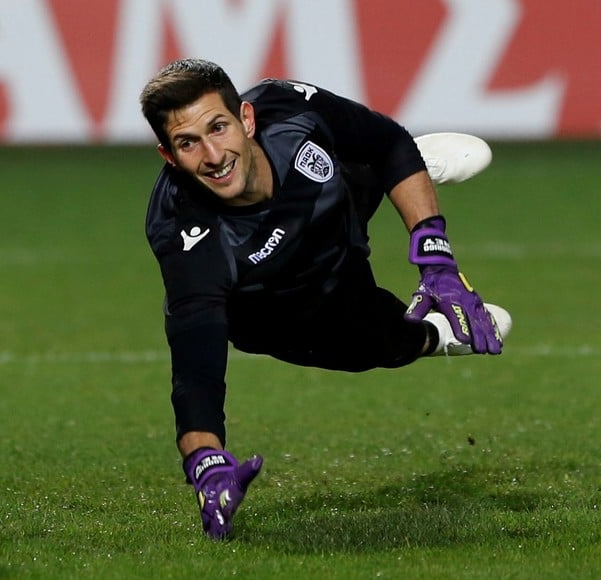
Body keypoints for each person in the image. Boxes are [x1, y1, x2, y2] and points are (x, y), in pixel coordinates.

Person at [139, 58, 511, 540]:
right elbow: (196, 372)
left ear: (246, 119)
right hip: (291, 308)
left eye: (219, 127)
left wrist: (436, 261)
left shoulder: (288, 109)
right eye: (189, 143)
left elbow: (388, 140)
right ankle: (437, 335)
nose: (213, 155)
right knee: (386, 345)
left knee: (374, 158)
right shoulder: (188, 238)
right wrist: (206, 462)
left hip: (334, 219)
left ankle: (408, 174)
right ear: (170, 156)